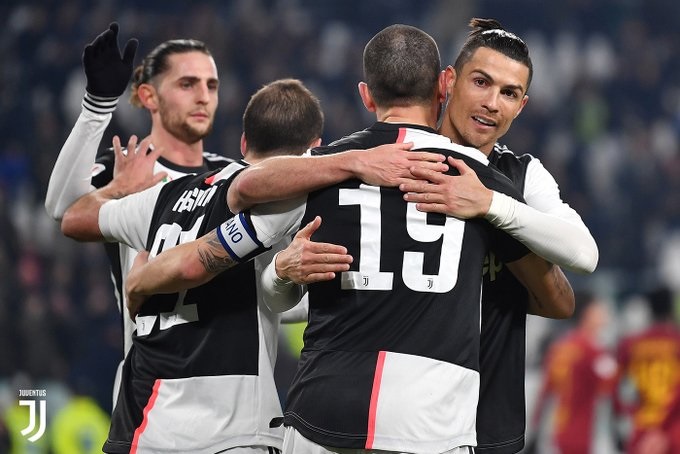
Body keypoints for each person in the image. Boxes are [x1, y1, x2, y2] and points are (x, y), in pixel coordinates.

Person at [122, 24, 575, 453]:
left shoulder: (315, 171)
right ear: (444, 87)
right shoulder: (479, 180)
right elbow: (563, 289)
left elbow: (225, 251)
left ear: (365, 94)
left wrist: (278, 270)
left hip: (323, 404)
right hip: (430, 419)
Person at [61, 78, 334, 453]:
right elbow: (274, 296)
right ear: (314, 151)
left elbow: (72, 217)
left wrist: (118, 188)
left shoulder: (162, 196)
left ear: (243, 142)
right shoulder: (289, 203)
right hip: (231, 427)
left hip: (145, 424)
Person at [395, 18, 599, 453]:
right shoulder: (398, 159)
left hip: (488, 419)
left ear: (522, 106)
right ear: (449, 81)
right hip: (404, 415)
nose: (492, 103)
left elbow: (584, 254)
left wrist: (489, 203)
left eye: (508, 93)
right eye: (481, 82)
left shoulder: (521, 175)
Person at [44, 23, 231, 404]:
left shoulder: (234, 175)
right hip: (150, 388)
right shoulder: (124, 169)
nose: (203, 97)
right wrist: (97, 108)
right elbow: (59, 208)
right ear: (149, 96)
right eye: (187, 84)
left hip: (231, 387)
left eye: (211, 86)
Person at [530, 291, 618, 454]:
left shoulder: (560, 346)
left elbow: (545, 392)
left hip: (557, 431)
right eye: (598, 309)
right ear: (587, 313)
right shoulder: (592, 350)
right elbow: (612, 387)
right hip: (584, 436)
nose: (604, 314)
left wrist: (535, 430)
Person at [615, 286, 680, 453]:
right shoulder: (676, 341)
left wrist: (624, 413)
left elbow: (614, 386)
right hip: (674, 426)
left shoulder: (631, 344)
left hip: (642, 424)